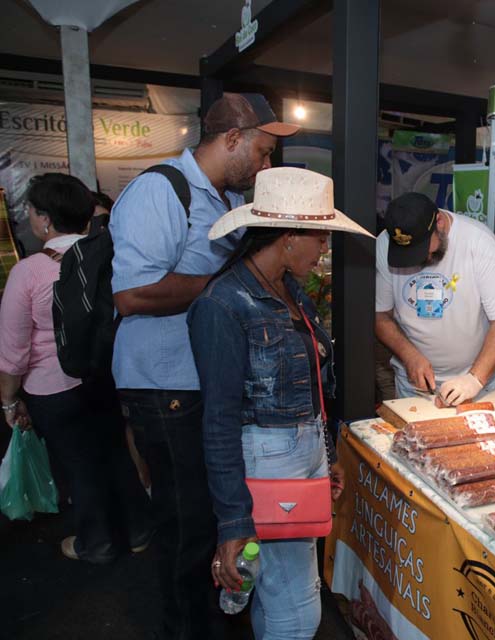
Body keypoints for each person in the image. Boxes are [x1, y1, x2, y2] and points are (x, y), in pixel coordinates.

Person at [109, 93, 299, 639]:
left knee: (208, 519)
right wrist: (229, 290)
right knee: (186, 524)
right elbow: (134, 293)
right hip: (164, 387)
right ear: (231, 139)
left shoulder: (217, 200)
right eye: (262, 153)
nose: (265, 166)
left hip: (197, 380)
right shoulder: (160, 189)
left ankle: (208, 620)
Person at [189, 168, 372, 639]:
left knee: (279, 593)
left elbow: (310, 386)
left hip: (299, 454)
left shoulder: (287, 289)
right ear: (289, 237)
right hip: (267, 461)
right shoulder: (224, 304)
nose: (325, 248)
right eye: (321, 236)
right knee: (298, 609)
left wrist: (324, 455)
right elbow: (219, 421)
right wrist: (233, 521)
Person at [0, 173, 150, 562]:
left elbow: (14, 350)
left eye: (32, 211)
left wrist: (8, 400)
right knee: (116, 453)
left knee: (79, 465)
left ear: (45, 219)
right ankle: (138, 531)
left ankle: (96, 543)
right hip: (107, 376)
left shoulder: (29, 272)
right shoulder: (110, 259)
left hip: (53, 388)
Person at [375, 192, 495, 406]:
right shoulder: (384, 244)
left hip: (475, 382)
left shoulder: (479, 243)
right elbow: (380, 316)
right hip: (414, 386)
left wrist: (474, 379)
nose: (420, 260)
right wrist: (409, 355)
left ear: (439, 222)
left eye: (423, 249)